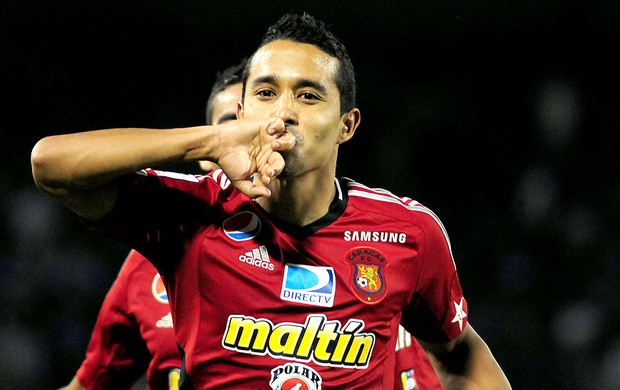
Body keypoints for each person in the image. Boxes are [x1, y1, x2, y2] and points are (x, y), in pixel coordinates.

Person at [32, 12, 511, 389]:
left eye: (308, 96)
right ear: (240, 113)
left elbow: (459, 354)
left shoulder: (408, 233)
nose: (283, 113)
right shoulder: (190, 214)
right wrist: (206, 143)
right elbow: (50, 166)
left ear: (348, 124)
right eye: (265, 93)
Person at [58, 59, 247, 390]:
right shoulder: (150, 260)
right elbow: (88, 385)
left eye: (256, 122)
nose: (245, 135)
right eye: (230, 124)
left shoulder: (346, 241)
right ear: (207, 150)